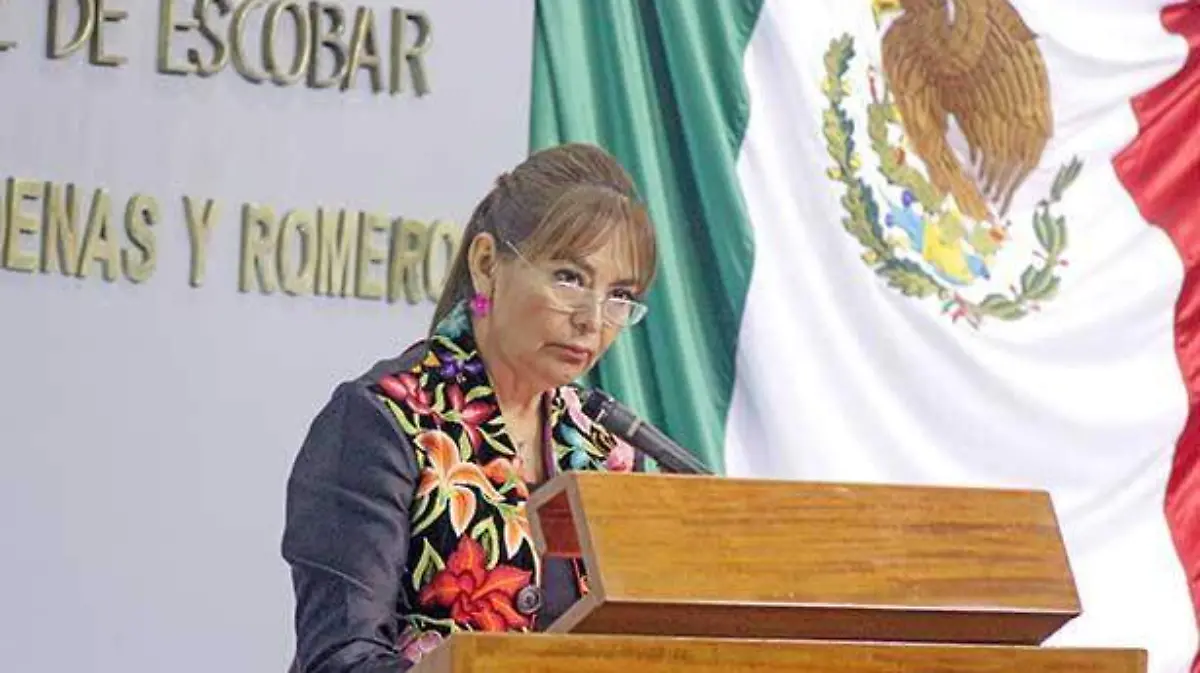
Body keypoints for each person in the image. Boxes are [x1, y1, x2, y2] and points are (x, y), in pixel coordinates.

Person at [281, 143, 658, 673]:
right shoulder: (383, 421)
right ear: (486, 264)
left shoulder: (608, 452)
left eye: (619, 295)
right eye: (569, 278)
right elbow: (341, 659)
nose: (592, 320)